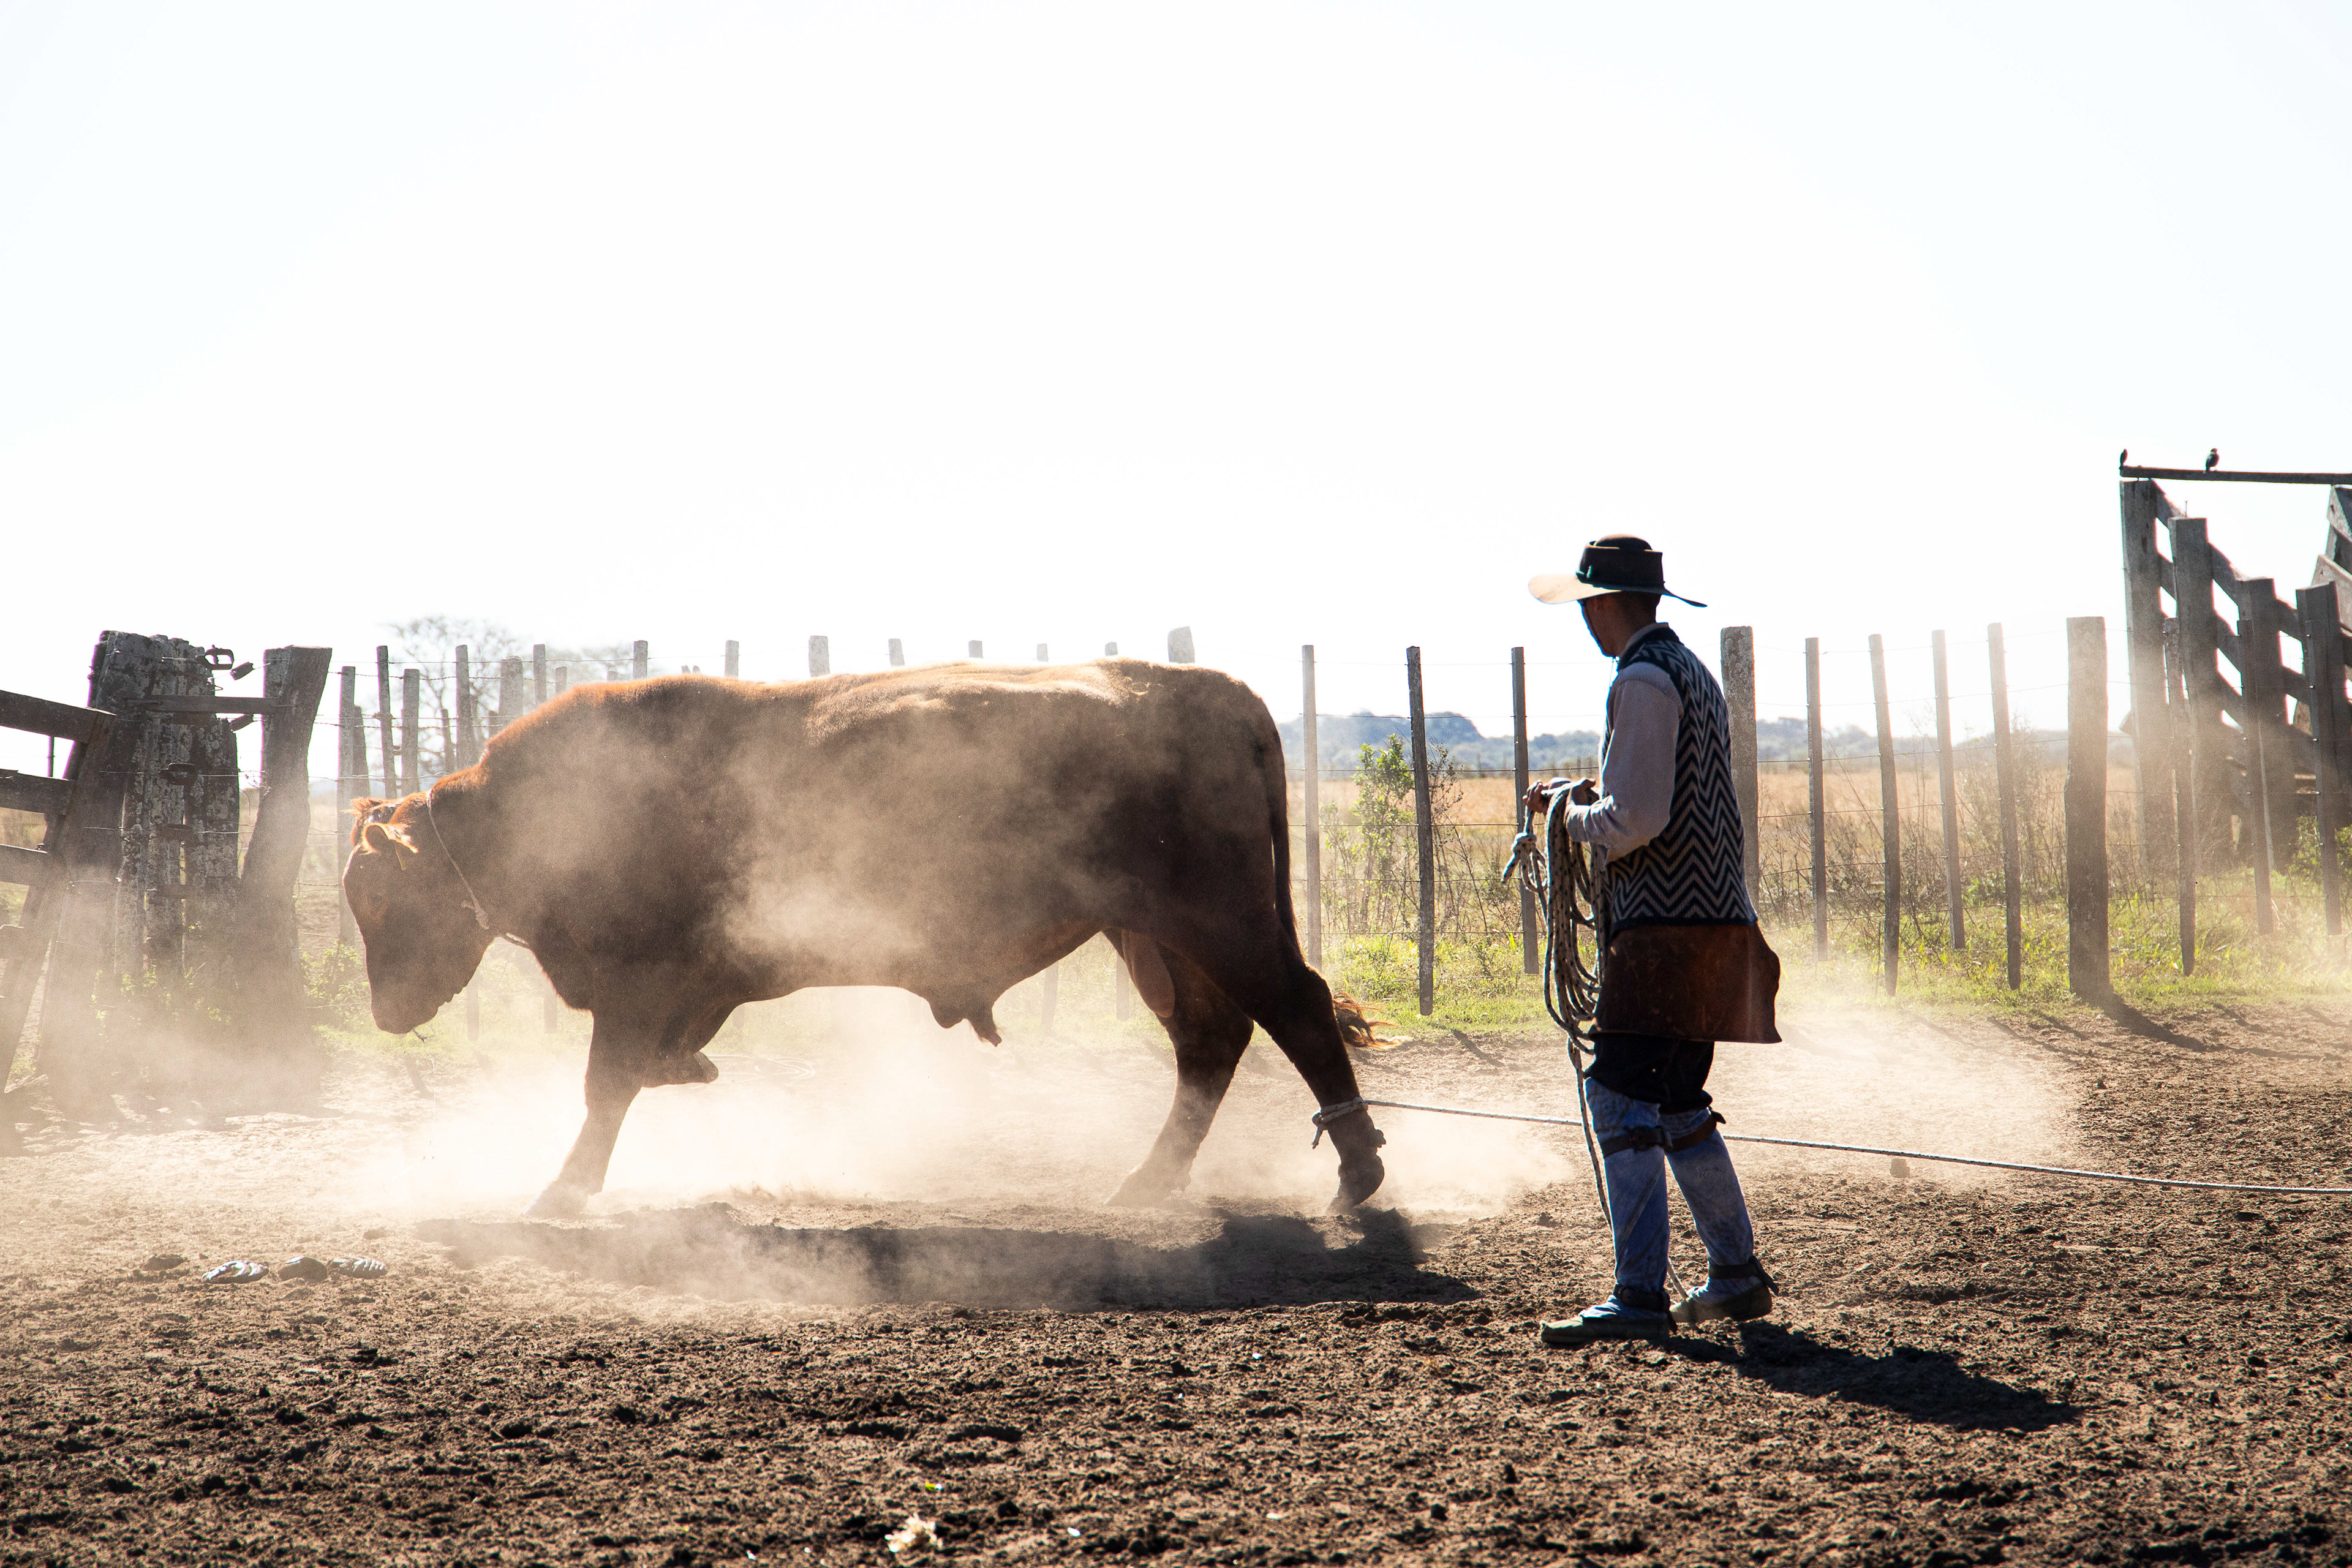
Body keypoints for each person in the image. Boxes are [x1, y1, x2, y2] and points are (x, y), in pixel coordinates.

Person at [1523, 535, 1776, 1343]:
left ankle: (1638, 1296)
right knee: (1675, 1102)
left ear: (1605, 605)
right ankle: (1734, 1275)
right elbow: (1655, 801)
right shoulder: (1687, 672)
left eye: (1587, 606)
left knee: (1618, 1095)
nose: (1586, 621)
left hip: (1664, 934)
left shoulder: (1638, 680)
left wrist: (1562, 813)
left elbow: (1636, 821)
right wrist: (1587, 799)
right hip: (1711, 926)